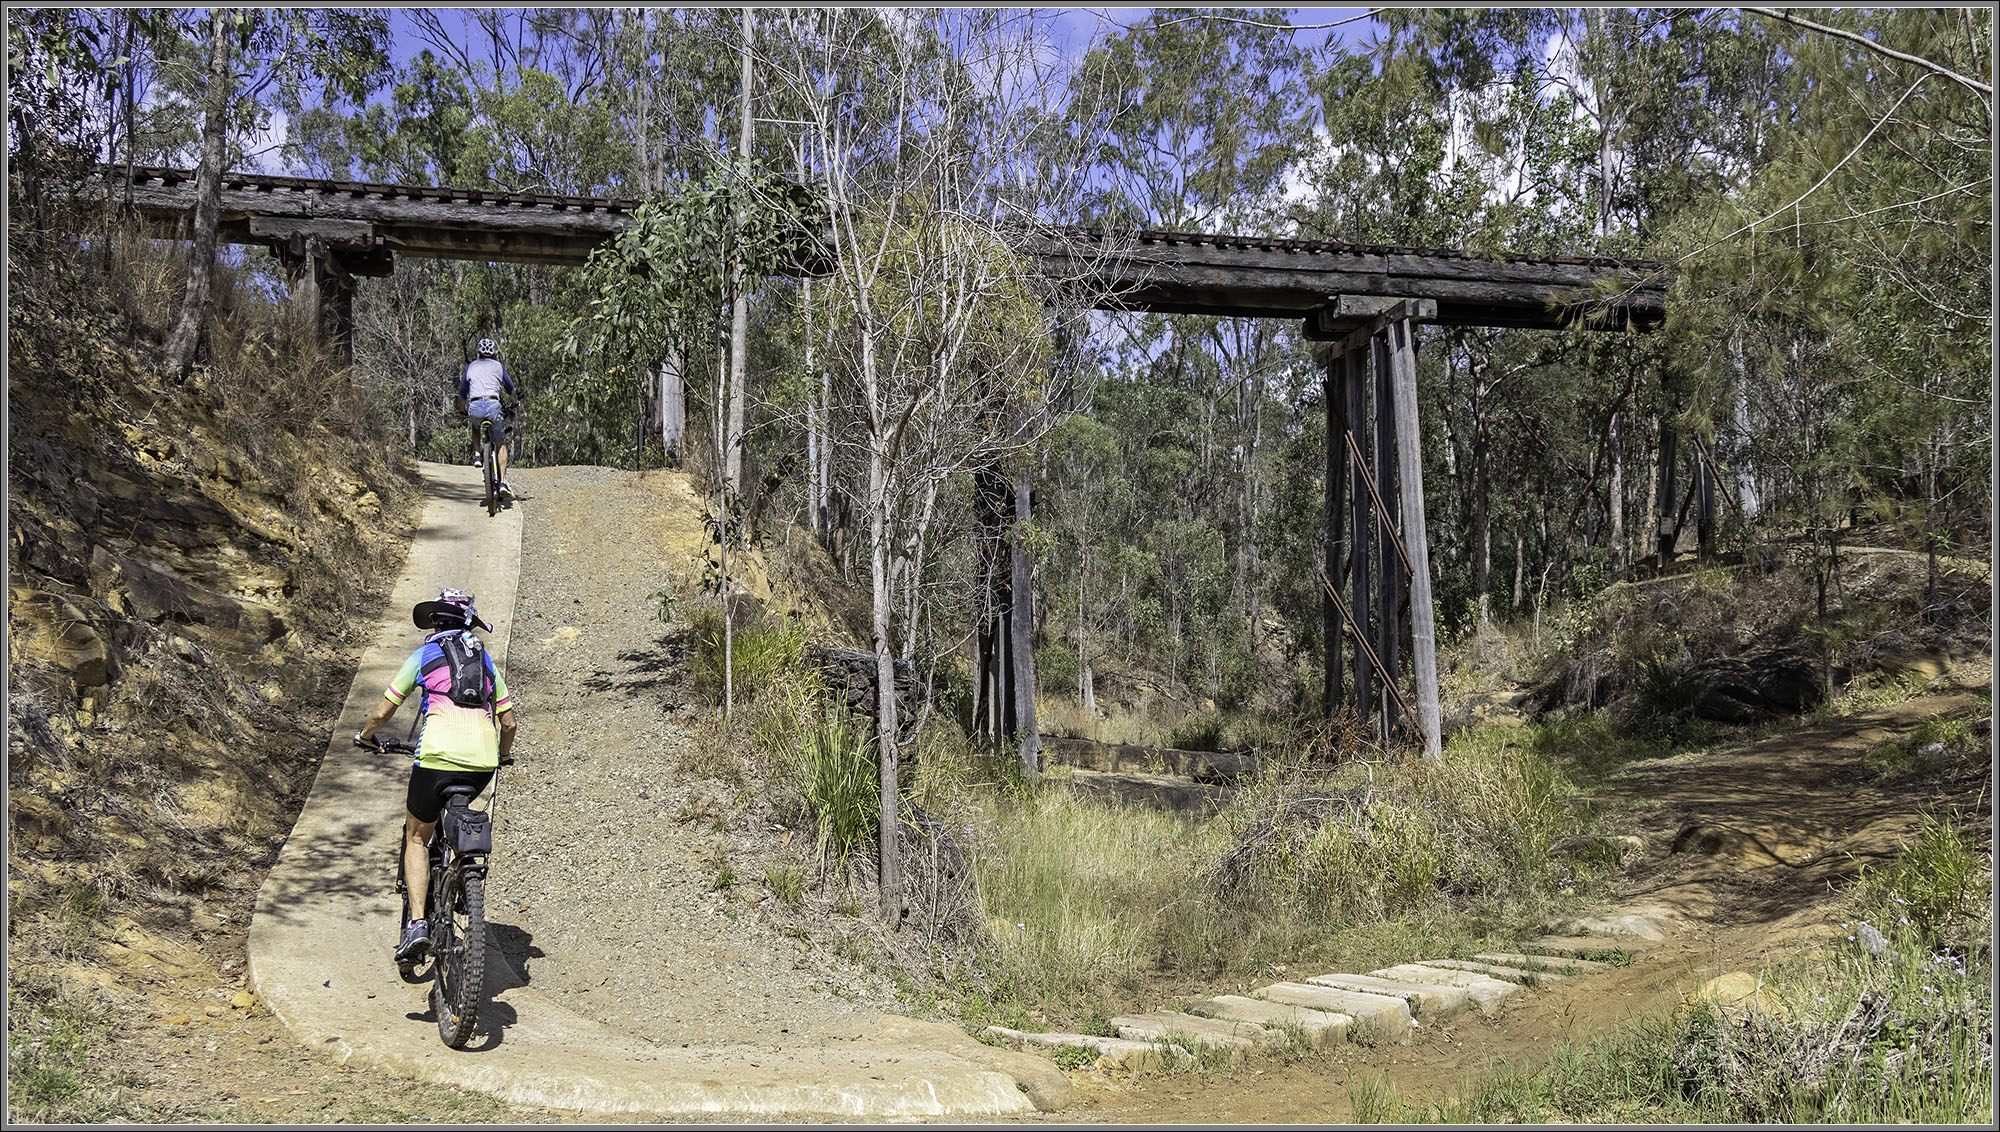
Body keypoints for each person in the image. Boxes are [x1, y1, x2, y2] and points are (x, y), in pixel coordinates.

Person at [354, 588, 517, 964]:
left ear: (434, 622)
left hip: (435, 760)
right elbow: (507, 722)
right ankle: (460, 879)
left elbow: (382, 712)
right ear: (468, 623)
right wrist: (502, 756)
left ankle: (416, 925)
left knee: (416, 836)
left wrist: (366, 738)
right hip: (480, 766)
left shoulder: (423, 655)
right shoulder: (486, 662)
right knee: (458, 808)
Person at [459, 338, 517, 500]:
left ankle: (477, 455)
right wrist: (515, 403)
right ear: (495, 353)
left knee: (475, 427)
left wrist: (462, 408)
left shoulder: (471, 366)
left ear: (478, 352)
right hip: (493, 404)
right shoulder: (499, 366)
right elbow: (510, 389)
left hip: (475, 406)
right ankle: (503, 482)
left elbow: (462, 392)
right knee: (500, 444)